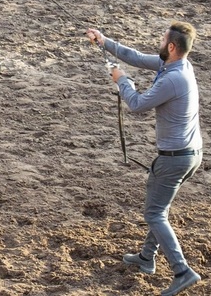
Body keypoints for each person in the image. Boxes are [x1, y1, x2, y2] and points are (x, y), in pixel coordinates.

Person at [86, 22, 203, 296]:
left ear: (171, 47)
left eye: (163, 41)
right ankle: (147, 257)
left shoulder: (172, 78)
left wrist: (121, 80)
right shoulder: (177, 66)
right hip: (189, 155)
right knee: (158, 208)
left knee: (154, 213)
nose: (159, 44)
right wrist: (104, 41)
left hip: (175, 159)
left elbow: (137, 105)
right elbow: (136, 57)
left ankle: (182, 271)